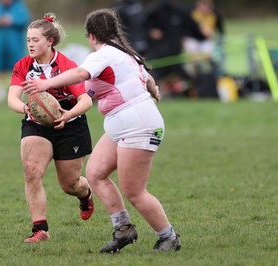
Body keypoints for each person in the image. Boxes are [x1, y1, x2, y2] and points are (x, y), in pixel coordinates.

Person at [23, 9, 181, 253]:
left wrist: (47, 83)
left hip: (138, 125)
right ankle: (123, 229)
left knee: (134, 191)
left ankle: (168, 237)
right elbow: (146, 75)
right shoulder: (125, 53)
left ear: (91, 35)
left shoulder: (103, 54)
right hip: (126, 125)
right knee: (95, 173)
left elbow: (79, 73)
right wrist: (153, 89)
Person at [7, 13, 94, 243]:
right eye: (28, 40)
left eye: (35, 40)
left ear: (50, 42)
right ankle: (40, 229)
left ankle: (85, 195)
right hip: (36, 122)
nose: (30, 44)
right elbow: (12, 98)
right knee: (32, 172)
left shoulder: (67, 66)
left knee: (70, 184)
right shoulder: (24, 65)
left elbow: (86, 101)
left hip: (70, 123)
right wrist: (27, 108)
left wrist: (69, 114)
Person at [143, 0, 206, 97]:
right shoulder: (156, 9)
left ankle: (191, 94)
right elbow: (143, 26)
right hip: (158, 57)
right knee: (152, 78)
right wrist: (151, 31)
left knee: (188, 78)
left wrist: (203, 34)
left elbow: (193, 28)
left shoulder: (181, 11)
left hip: (175, 58)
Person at [0, 0, 30, 103]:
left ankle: (19, 93)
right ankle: (0, 92)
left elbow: (24, 19)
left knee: (18, 68)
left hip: (15, 44)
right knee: (0, 67)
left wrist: (11, 20)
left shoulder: (19, 7)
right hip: (0, 43)